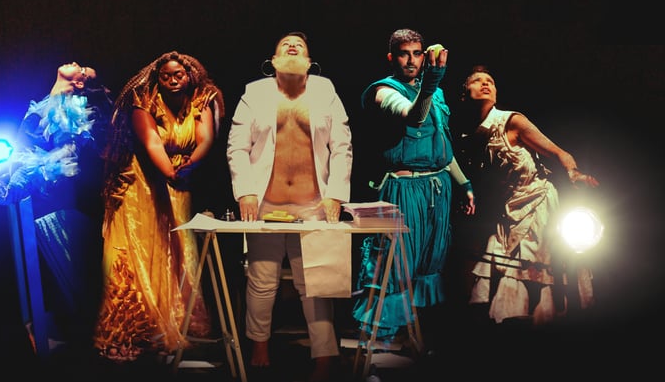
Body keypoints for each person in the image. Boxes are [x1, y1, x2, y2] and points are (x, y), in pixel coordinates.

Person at [226, 31, 353, 382]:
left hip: (313, 204)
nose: (292, 46)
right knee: (262, 279)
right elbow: (238, 146)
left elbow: (342, 146)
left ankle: (325, 356)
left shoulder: (325, 90)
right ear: (273, 60)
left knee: (316, 282)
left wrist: (336, 194)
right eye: (285, 44)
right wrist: (245, 191)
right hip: (267, 202)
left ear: (309, 61)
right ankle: (259, 344)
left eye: (299, 45)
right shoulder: (255, 92)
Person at [93, 51, 225, 362]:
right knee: (139, 252)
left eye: (178, 74)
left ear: (189, 75)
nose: (173, 80)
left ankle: (170, 322)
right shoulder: (144, 100)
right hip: (143, 182)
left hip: (179, 180)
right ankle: (132, 330)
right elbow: (152, 141)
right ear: (158, 78)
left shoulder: (202, 98)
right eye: (166, 76)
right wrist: (171, 174)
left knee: (175, 251)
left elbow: (206, 138)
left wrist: (189, 167)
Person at [352, 28, 476, 351]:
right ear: (391, 57)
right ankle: (377, 348)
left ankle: (412, 340)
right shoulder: (383, 91)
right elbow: (413, 118)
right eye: (404, 54)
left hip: (437, 189)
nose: (411, 60)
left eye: (417, 53)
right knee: (393, 268)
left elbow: (441, 145)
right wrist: (432, 81)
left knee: (426, 268)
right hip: (403, 190)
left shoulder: (435, 93)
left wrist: (464, 183)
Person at [456, 65, 599, 326]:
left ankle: (545, 330)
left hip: (537, 203)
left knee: (536, 271)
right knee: (503, 270)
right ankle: (511, 335)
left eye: (490, 81)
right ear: (464, 94)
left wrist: (574, 173)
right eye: (477, 81)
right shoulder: (468, 137)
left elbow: (558, 152)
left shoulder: (511, 121)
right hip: (506, 211)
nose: (486, 84)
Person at [0, 61, 113, 356]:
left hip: (56, 204)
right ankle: (52, 332)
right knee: (45, 272)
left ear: (80, 83)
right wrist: (3, 175)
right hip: (38, 200)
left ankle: (69, 338)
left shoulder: (72, 109)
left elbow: (63, 158)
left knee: (64, 273)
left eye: (84, 69)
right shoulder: (48, 102)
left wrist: (21, 180)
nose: (77, 64)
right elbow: (22, 148)